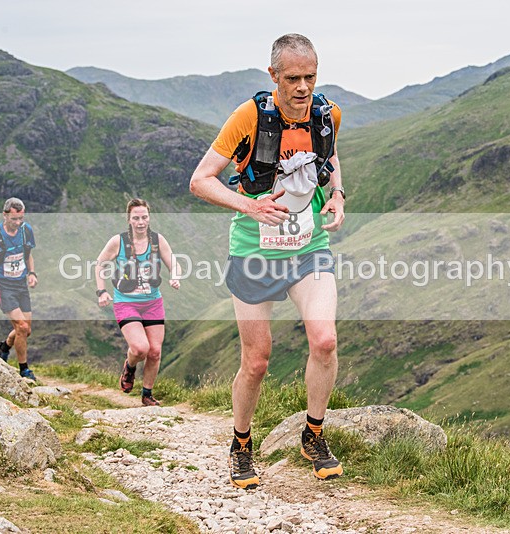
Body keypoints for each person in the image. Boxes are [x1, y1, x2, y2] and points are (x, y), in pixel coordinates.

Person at [189, 33, 346, 489]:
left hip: (308, 246)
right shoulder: (248, 117)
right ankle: (241, 444)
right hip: (254, 249)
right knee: (256, 361)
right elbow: (200, 181)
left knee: (325, 341)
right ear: (273, 76)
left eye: (310, 77)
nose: (302, 87)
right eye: (293, 78)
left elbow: (330, 155)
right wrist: (250, 206)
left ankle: (313, 435)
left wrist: (336, 195)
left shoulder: (327, 114)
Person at [94, 198, 182, 407]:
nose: (141, 222)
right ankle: (130, 366)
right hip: (126, 302)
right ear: (129, 219)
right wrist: (101, 291)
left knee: (155, 351)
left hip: (152, 302)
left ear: (149, 218)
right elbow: (100, 264)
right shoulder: (118, 242)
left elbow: (173, 261)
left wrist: (175, 276)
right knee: (140, 348)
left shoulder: (158, 240)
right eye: (136, 218)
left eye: (144, 217)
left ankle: (147, 394)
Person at [0, 197, 38, 380]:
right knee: (21, 326)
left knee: (26, 331)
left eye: (21, 219)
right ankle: (24, 370)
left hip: (21, 284)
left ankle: (4, 346)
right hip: (2, 285)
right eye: (14, 219)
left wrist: (32, 273)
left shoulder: (26, 231)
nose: (18, 223)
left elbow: (28, 255)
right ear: (4, 215)